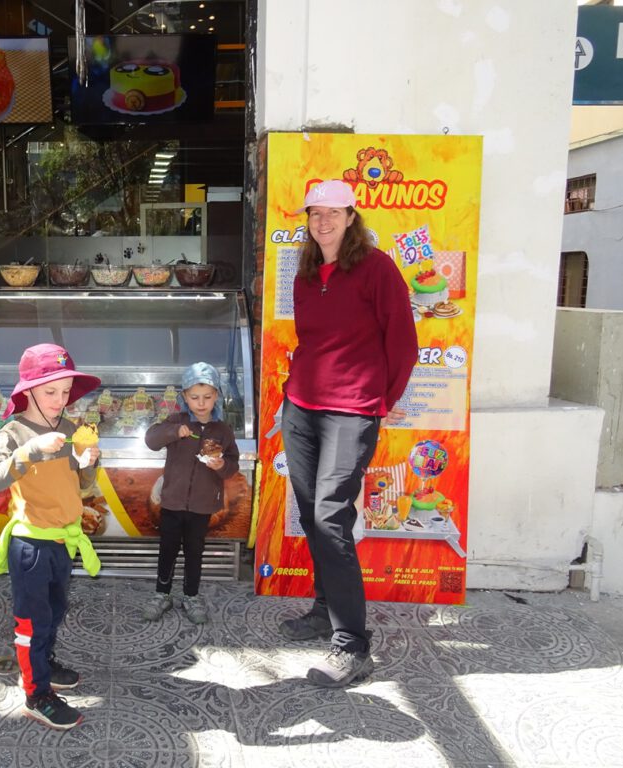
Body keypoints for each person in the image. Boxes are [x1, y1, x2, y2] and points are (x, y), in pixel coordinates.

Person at [279, 179, 418, 688]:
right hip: (301, 409)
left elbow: (404, 340)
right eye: (315, 213)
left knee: (330, 518)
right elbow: (310, 341)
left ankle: (352, 645)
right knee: (313, 514)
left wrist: (383, 401)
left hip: (351, 412)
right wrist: (291, 397)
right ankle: (324, 610)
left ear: (352, 216)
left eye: (333, 213)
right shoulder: (307, 270)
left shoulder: (376, 268)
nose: (323, 222)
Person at [0, 343, 102, 730]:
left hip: (62, 541)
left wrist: (88, 464)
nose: (60, 399)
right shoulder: (14, 431)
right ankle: (36, 694)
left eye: (66, 391)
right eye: (51, 391)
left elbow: (83, 486)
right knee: (31, 622)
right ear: (29, 390)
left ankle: (44, 663)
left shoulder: (70, 430)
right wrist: (30, 451)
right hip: (30, 544)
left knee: (54, 611)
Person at [142, 362, 240, 624]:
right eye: (194, 397)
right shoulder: (177, 420)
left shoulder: (223, 430)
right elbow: (151, 440)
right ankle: (162, 594)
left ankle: (191, 595)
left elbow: (233, 464)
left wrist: (222, 465)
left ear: (216, 396)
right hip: (172, 502)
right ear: (185, 397)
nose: (201, 403)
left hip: (202, 505)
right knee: (168, 549)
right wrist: (174, 432)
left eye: (207, 397)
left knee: (195, 551)